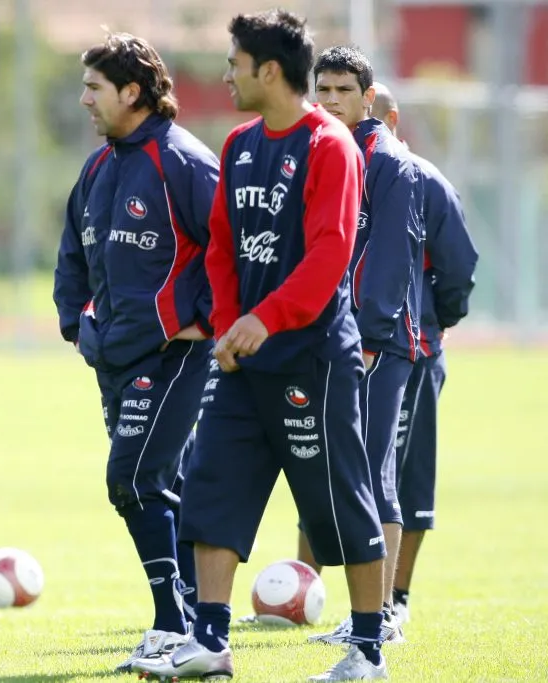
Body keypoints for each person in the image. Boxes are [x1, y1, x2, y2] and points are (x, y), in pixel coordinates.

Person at [132, 9, 390, 681]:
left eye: (235, 64)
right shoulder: (240, 143)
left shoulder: (328, 144)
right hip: (241, 359)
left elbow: (330, 253)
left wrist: (267, 318)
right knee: (211, 491)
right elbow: (219, 244)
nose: (227, 75)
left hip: (310, 357)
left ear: (268, 71)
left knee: (342, 499)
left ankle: (366, 650)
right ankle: (211, 642)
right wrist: (227, 322)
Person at [52, 30, 219, 672]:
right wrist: (78, 327)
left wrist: (202, 322)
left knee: (135, 479)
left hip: (175, 356)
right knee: (155, 484)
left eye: (94, 87)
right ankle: (193, 625)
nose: (84, 99)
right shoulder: (98, 168)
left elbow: (226, 250)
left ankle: (172, 624)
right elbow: (74, 255)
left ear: (132, 91)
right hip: (115, 359)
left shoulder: (183, 161)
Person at [304, 46, 425, 647]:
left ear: (368, 97)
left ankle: (380, 619)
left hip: (375, 343)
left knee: (373, 473)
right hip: (335, 338)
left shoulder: (389, 163)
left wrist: (371, 337)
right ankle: (348, 612)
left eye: (343, 90)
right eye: (322, 89)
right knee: (343, 470)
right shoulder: (323, 154)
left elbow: (391, 260)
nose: (330, 100)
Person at [370, 82, 479, 624]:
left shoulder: (425, 180)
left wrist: (434, 322)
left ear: (391, 116)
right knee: (345, 467)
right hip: (344, 351)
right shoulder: (333, 173)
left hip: (412, 350)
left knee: (403, 472)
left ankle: (395, 599)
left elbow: (458, 267)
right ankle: (304, 587)